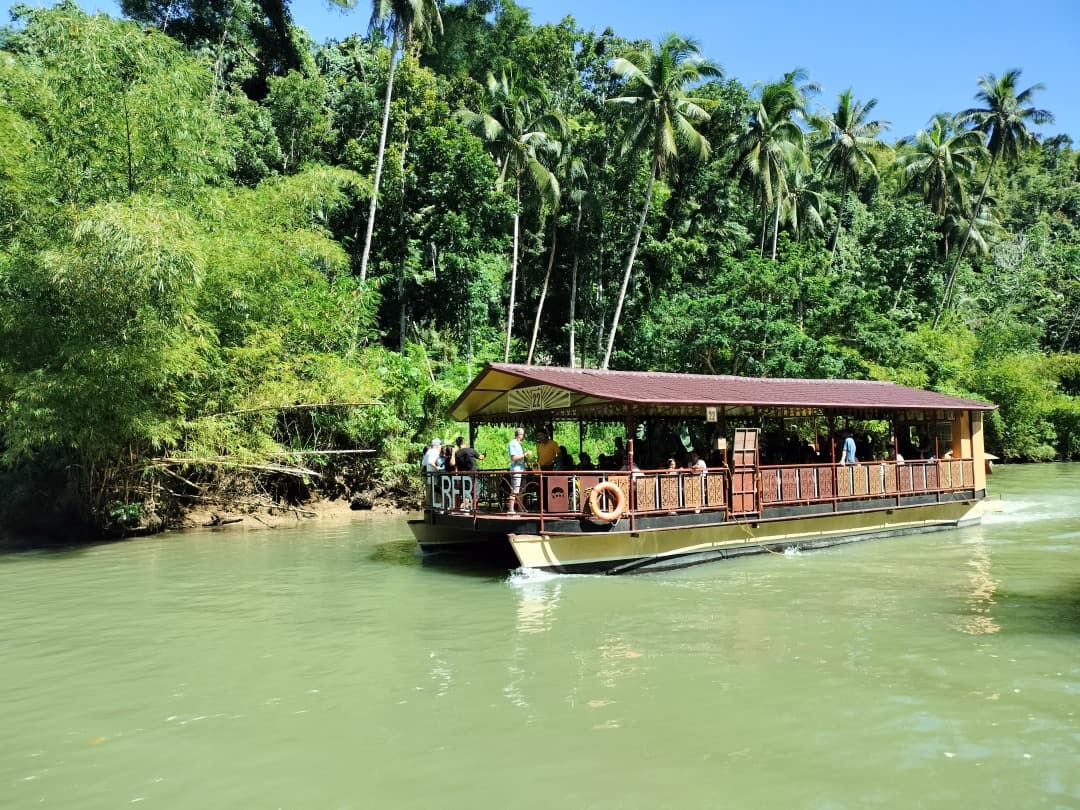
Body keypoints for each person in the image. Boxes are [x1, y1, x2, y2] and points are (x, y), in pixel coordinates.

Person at [507, 427, 531, 513]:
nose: (524, 436)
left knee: (521, 490)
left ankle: (520, 508)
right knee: (515, 490)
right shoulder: (512, 444)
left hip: (522, 469)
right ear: (519, 435)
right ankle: (511, 509)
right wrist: (525, 454)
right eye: (523, 434)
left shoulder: (520, 444)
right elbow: (514, 458)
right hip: (516, 469)